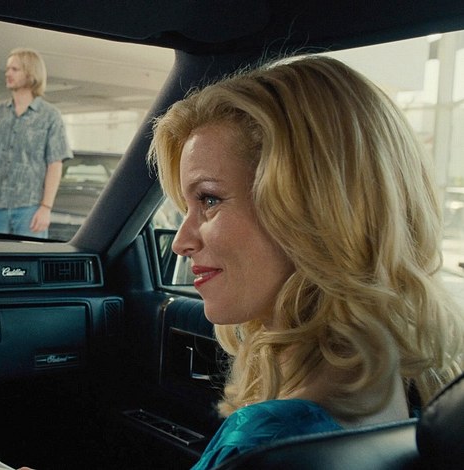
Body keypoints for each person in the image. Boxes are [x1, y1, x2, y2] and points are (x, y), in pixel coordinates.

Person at [148, 54, 464, 469]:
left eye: (209, 200)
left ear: (312, 211)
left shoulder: (264, 442)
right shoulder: (424, 392)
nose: (181, 242)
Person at [0, 48, 72, 238]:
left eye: (14, 69)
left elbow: (55, 164)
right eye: (7, 69)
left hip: (30, 210)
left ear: (31, 74)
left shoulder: (50, 116)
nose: (8, 73)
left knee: (27, 257)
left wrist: (46, 208)